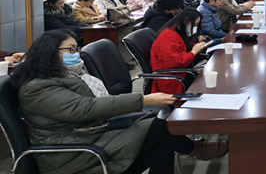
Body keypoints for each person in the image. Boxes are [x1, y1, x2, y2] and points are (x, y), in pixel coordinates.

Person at [11, 29, 228, 174]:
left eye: (76, 49)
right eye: (69, 50)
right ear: (49, 52)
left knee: (161, 147)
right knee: (157, 127)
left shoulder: (69, 74)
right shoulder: (36, 87)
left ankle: (200, 150)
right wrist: (143, 100)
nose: (75, 54)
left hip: (92, 134)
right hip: (72, 153)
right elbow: (85, 109)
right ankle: (199, 150)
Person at [150, 8, 212, 94]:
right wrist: (193, 52)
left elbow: (184, 47)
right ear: (186, 20)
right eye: (194, 24)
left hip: (181, 72)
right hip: (172, 78)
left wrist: (197, 48)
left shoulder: (177, 31)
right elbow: (175, 62)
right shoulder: (167, 36)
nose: (195, 27)